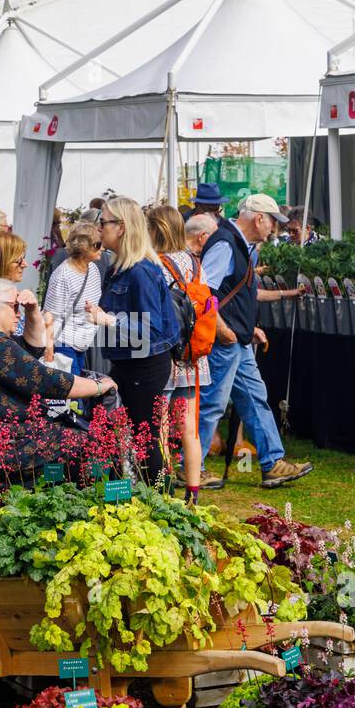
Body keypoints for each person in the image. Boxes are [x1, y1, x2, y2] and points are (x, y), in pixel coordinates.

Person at [196, 193, 312, 489]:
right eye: (273, 221)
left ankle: (272, 462)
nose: (275, 229)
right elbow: (203, 293)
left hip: (238, 338)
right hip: (227, 339)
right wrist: (223, 330)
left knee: (254, 398)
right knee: (213, 404)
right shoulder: (225, 243)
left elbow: (234, 293)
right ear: (258, 218)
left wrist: (248, 328)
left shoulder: (240, 245)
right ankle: (191, 466)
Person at [0, 278, 116, 468]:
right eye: (14, 307)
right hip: (4, 446)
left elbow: (34, 349)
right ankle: (109, 496)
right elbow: (46, 381)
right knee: (99, 444)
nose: (18, 314)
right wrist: (99, 386)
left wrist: (32, 311)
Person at [84, 196, 180, 485]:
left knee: (144, 436)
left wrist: (107, 320)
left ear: (122, 227)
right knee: (111, 427)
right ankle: (120, 497)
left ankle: (160, 505)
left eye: (103, 223)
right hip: (127, 362)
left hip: (145, 364)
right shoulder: (119, 268)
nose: (98, 229)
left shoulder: (141, 271)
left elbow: (149, 328)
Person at [148, 204, 212, 504]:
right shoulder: (195, 262)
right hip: (193, 354)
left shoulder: (153, 264)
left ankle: (163, 488)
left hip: (165, 354)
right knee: (189, 428)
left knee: (160, 425)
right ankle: (193, 494)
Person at [42, 220, 103, 375]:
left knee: (79, 394)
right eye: (97, 244)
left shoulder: (93, 269)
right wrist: (49, 351)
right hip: (64, 344)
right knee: (74, 397)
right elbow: (49, 314)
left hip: (83, 344)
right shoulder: (63, 275)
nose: (101, 248)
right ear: (83, 247)